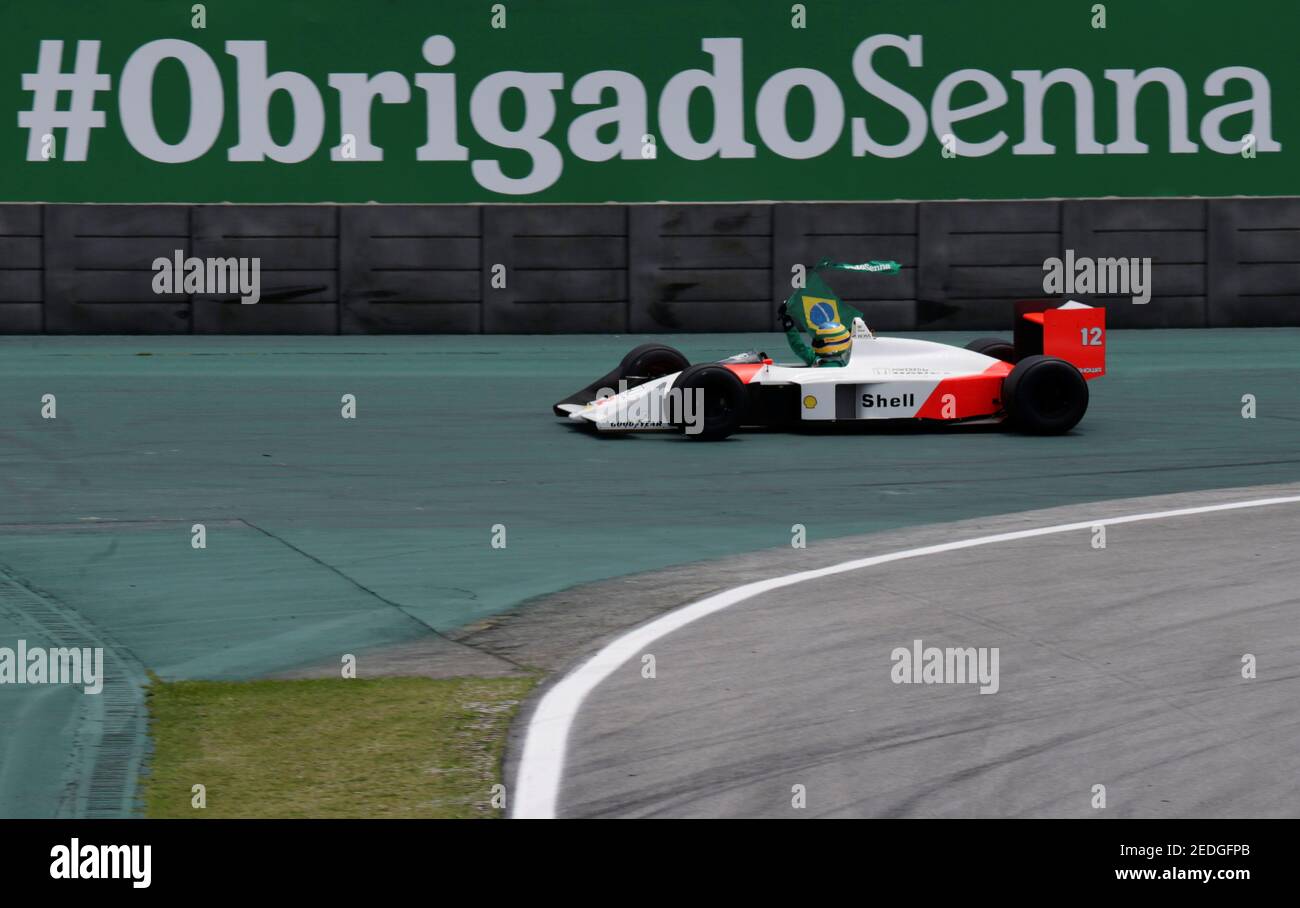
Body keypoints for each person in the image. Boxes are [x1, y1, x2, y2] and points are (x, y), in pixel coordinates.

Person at [779, 302, 851, 367]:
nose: (816, 343)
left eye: (819, 342)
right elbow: (799, 347)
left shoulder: (816, 360)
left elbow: (799, 348)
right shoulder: (816, 358)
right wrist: (788, 322)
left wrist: (788, 323)